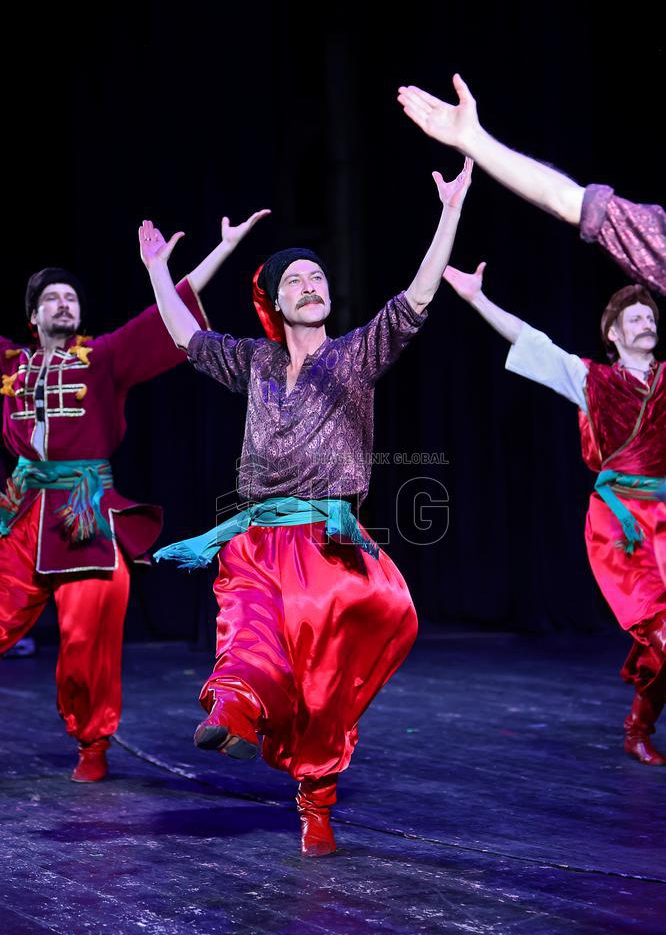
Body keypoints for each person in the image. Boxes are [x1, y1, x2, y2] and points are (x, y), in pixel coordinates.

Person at [140, 160, 473, 856]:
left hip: (327, 544)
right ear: (273, 300)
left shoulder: (355, 356)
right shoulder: (255, 362)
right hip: (256, 537)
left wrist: (449, 212)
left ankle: (315, 803)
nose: (311, 285)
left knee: (322, 690)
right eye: (295, 279)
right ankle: (234, 713)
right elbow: (183, 337)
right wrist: (156, 269)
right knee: (246, 637)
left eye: (318, 277)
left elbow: (416, 298)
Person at [0, 209, 269, 781]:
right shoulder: (9, 364)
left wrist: (221, 250)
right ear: (32, 315)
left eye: (71, 298)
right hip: (19, 515)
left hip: (85, 521)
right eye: (51, 299)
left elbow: (166, 312)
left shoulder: (103, 358)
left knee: (86, 648)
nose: (63, 305)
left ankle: (91, 745)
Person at [442, 260, 666, 765]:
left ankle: (638, 727)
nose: (646, 323)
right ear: (613, 334)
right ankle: (638, 727)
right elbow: (532, 341)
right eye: (634, 318)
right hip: (622, 523)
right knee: (662, 632)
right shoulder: (592, 380)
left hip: (665, 517)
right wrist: (477, 299)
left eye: (651, 317)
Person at [397, 75, 666, 295]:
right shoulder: (655, 232)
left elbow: (567, 201)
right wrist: (473, 139)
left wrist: (474, 140)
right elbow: (569, 201)